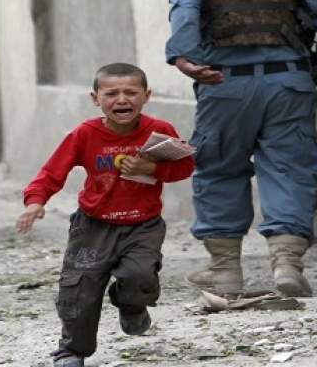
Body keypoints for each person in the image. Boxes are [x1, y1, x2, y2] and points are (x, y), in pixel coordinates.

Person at [166, 0, 317, 297]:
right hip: (289, 86)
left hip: (225, 85)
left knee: (219, 170)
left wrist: (184, 58)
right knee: (289, 169)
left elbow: (184, 14)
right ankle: (287, 264)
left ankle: (224, 272)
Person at [16, 63, 194, 367]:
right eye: (112, 93)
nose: (122, 99)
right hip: (92, 226)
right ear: (95, 98)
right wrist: (35, 202)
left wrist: (153, 168)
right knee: (79, 291)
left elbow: (185, 167)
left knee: (140, 277)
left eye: (130, 92)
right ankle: (71, 351)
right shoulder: (85, 134)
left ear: (146, 95)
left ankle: (131, 305)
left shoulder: (160, 131)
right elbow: (51, 173)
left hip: (143, 224)